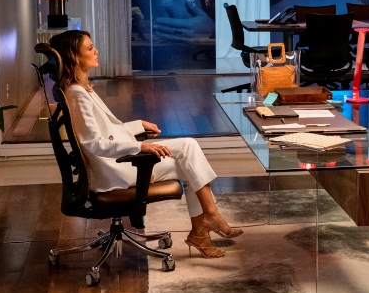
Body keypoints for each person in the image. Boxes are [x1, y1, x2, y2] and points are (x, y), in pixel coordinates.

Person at [49, 30, 241, 259]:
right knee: (190, 154)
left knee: (191, 161)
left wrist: (138, 125)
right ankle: (208, 219)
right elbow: (95, 143)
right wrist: (140, 147)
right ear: (74, 57)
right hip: (113, 171)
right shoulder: (77, 94)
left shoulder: (80, 89)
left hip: (115, 164)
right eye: (90, 48)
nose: (96, 50)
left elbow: (106, 132)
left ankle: (203, 228)